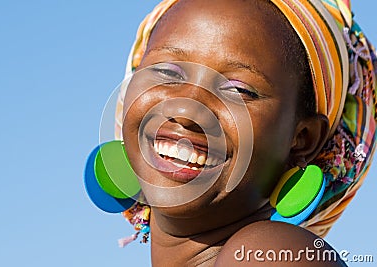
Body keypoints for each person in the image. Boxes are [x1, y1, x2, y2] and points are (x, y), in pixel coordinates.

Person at [90, 0, 377, 265]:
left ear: (302, 140)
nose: (186, 111)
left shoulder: (268, 254)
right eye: (167, 72)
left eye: (238, 90)